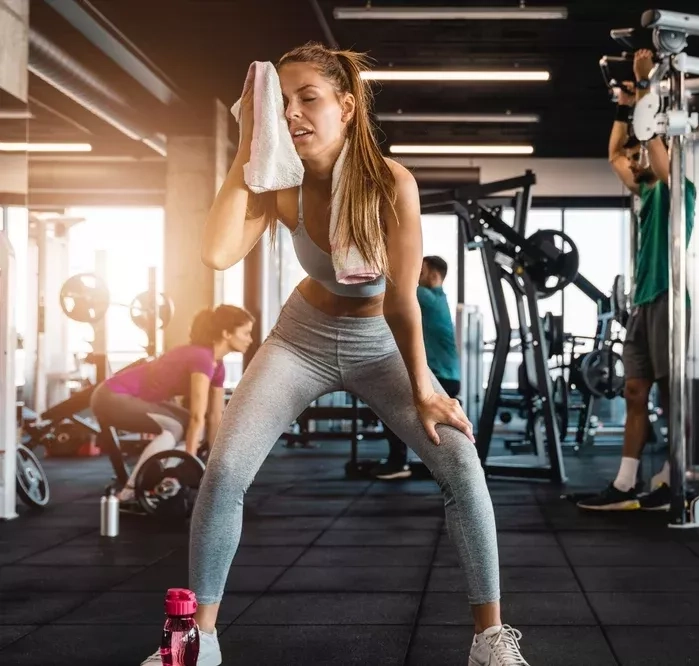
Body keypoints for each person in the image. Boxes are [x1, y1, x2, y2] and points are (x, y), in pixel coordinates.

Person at [139, 43, 530, 666]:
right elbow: (215, 253)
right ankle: (197, 642)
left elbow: (403, 301)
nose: (293, 113)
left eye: (308, 99)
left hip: (381, 345)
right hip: (302, 338)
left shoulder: (390, 183)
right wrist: (248, 146)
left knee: (461, 465)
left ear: (346, 107)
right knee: (225, 471)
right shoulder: (281, 184)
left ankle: (489, 640)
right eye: (281, 102)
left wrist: (425, 385)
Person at [578, 49, 696, 512]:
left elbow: (654, 151)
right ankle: (626, 483)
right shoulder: (645, 191)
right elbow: (613, 154)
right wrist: (625, 106)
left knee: (670, 396)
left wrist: (647, 86)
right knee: (634, 391)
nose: (635, 154)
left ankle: (673, 478)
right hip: (644, 303)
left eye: (643, 147)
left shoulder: (677, 188)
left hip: (669, 297)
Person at [90, 305, 254, 502]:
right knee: (177, 426)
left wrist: (213, 463)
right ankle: (131, 492)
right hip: (112, 396)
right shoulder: (201, 357)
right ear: (227, 333)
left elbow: (215, 417)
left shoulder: (218, 367)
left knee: (187, 427)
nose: (250, 339)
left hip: (134, 399)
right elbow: (197, 416)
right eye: (246, 333)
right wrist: (190, 463)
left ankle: (163, 479)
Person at [374, 255, 462, 480]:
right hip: (445, 374)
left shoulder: (427, 298)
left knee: (392, 407)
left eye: (420, 272)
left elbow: (395, 286)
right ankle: (410, 462)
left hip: (442, 375)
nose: (415, 275)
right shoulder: (436, 299)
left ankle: (398, 462)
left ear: (434, 276)